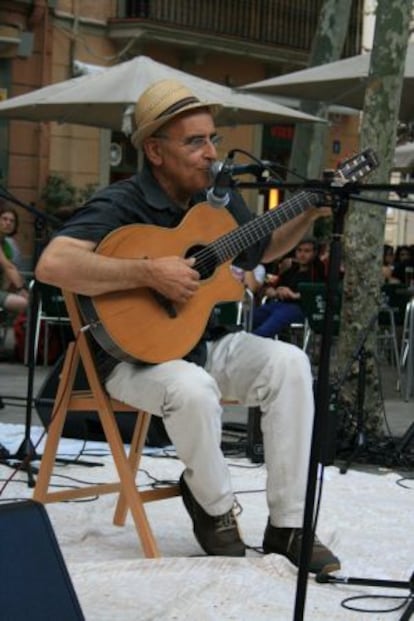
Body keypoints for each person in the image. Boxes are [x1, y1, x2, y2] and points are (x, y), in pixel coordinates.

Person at [35, 79, 340, 573]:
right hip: (127, 358)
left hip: (197, 340)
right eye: (195, 141)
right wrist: (146, 271)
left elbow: (259, 249)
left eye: (213, 139)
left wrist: (307, 208)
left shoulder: (216, 201)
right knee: (193, 389)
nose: (211, 153)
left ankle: (289, 524)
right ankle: (214, 508)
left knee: (289, 362)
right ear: (155, 150)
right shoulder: (123, 202)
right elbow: (53, 263)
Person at [252, 237, 326, 339]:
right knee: (249, 319)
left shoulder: (318, 270)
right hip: (278, 304)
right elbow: (274, 285)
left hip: (300, 308)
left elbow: (319, 292)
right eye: (299, 250)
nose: (302, 254)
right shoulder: (291, 269)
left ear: (314, 253)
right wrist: (272, 291)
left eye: (307, 251)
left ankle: (251, 341)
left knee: (265, 329)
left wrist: (294, 295)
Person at [0, 204, 28, 314]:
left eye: (12, 221)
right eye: (4, 219)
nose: (8, 223)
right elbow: (9, 267)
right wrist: (22, 289)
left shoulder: (7, 244)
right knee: (24, 303)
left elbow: (11, 271)